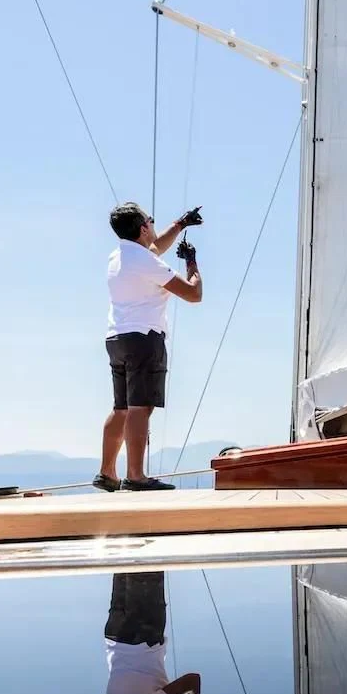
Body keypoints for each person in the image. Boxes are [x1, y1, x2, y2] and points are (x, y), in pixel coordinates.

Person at [96, 202, 205, 492]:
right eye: (151, 221)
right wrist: (192, 262)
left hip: (117, 339)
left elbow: (154, 247)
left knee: (121, 408)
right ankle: (136, 476)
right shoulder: (146, 262)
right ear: (143, 227)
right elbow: (194, 294)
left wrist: (179, 224)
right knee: (140, 408)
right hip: (144, 339)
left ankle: (107, 472)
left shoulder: (118, 256)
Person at [103, 571, 204, 694]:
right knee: (123, 562)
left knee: (146, 564)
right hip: (115, 634)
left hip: (141, 632)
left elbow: (192, 681)